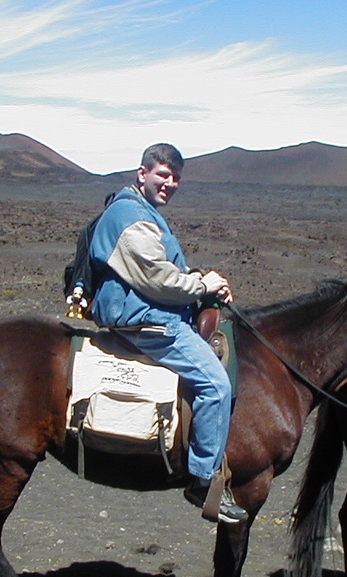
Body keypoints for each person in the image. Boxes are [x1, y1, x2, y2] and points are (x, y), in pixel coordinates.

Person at [88, 143, 247, 524]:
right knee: (215, 385)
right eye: (162, 174)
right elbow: (157, 279)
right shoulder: (130, 215)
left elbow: (162, 271)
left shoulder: (141, 210)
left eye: (176, 178)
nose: (170, 183)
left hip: (150, 310)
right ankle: (202, 480)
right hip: (147, 320)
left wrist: (203, 282)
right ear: (142, 174)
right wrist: (201, 286)